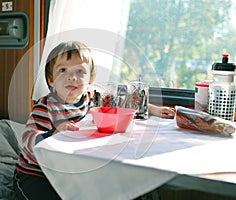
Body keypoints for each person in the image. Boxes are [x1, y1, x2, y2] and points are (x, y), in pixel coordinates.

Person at [13, 41, 175, 199]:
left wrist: (153, 109)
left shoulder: (94, 97)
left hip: (70, 171)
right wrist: (52, 134)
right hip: (36, 173)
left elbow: (124, 103)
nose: (72, 77)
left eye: (79, 72)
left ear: (90, 79)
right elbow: (27, 139)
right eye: (63, 70)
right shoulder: (45, 107)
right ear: (51, 80)